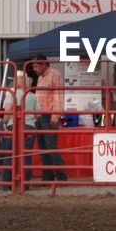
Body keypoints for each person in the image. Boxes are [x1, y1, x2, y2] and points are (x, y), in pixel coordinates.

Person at [31, 55, 67, 184]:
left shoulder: (54, 75)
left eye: (36, 66)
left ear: (44, 65)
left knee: (50, 146)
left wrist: (55, 116)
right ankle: (47, 177)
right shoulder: (41, 77)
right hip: (41, 115)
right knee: (43, 147)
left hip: (49, 115)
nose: (34, 69)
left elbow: (58, 96)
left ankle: (61, 177)